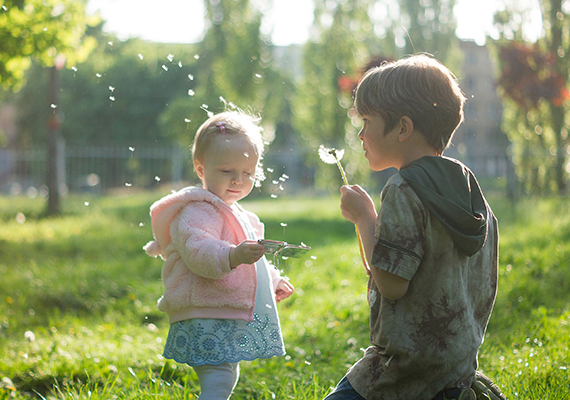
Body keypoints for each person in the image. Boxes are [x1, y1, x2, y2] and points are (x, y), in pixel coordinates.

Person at [325, 54, 502, 400]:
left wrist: (365, 218)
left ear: (403, 128)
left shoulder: (404, 189)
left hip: (403, 370)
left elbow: (391, 283)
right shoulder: (469, 190)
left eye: (366, 121)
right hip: (455, 367)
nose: (360, 135)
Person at [144, 110, 294, 400]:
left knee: (226, 373)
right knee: (220, 374)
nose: (238, 180)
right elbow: (199, 252)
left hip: (218, 310)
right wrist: (234, 255)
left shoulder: (242, 215)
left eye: (248, 173)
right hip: (203, 309)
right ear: (201, 169)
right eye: (227, 171)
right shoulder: (197, 211)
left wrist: (272, 279)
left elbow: (253, 257)